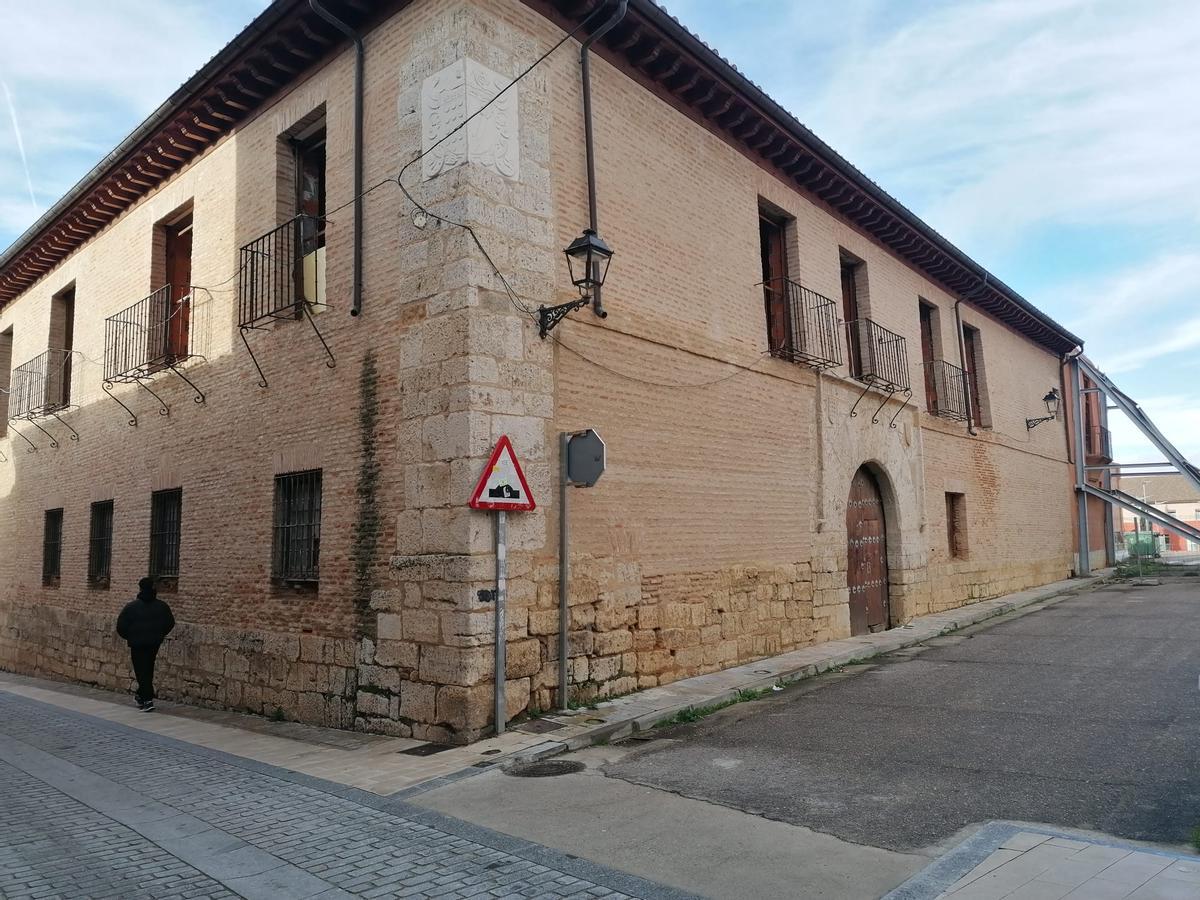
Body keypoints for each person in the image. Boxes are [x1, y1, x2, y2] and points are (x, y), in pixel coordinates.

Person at [116, 577, 175, 711]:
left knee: (141, 671)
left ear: (140, 588)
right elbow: (170, 623)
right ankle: (141, 696)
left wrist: (131, 637)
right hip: (154, 643)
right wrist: (159, 634)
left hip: (137, 644)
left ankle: (147, 700)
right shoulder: (162, 606)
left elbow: (121, 627)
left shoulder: (131, 607)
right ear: (153, 588)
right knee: (148, 668)